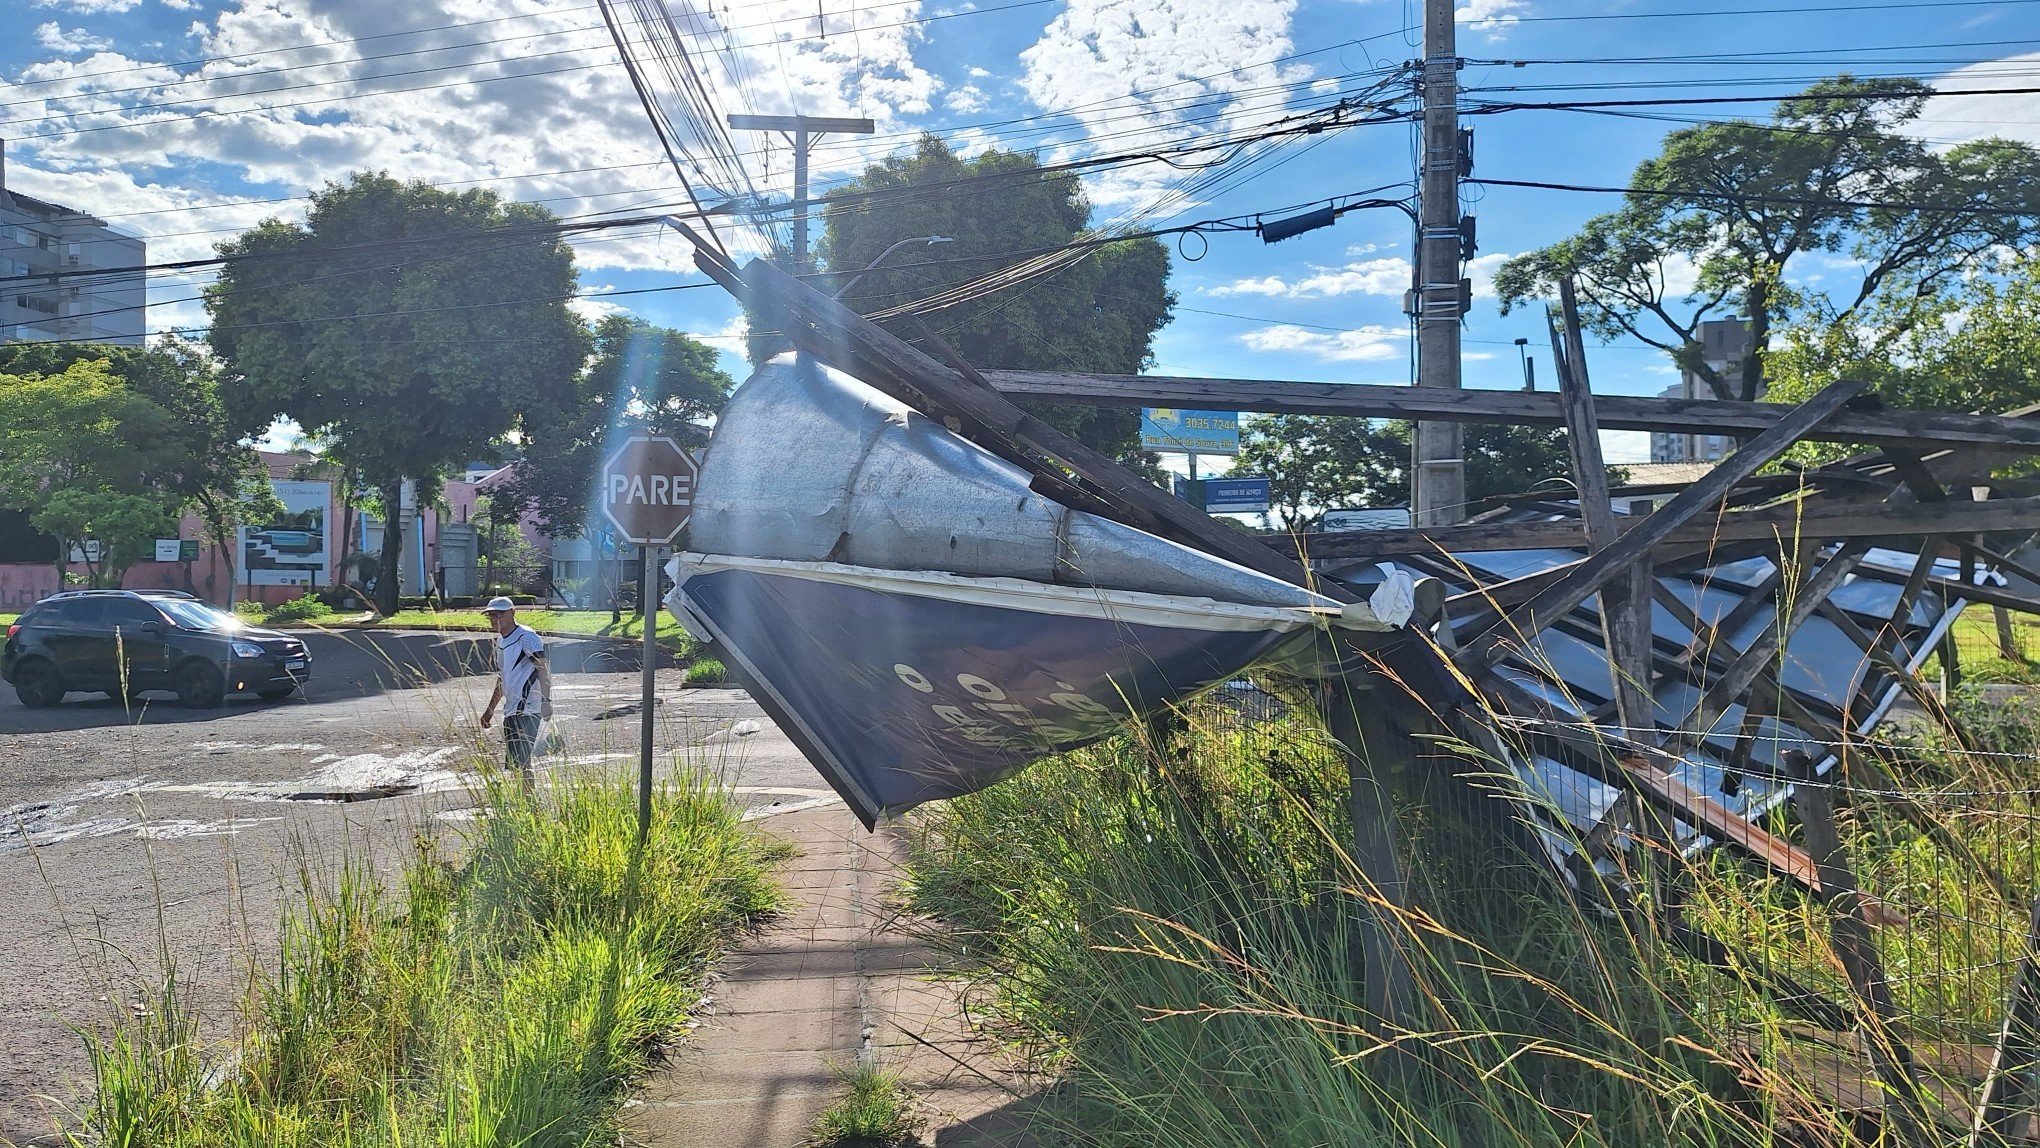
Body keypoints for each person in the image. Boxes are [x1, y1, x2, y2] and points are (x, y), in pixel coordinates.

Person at [479, 596, 552, 782]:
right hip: (512, 710)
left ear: (512, 612)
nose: (495, 619)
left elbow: (542, 668)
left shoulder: (527, 636)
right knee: (517, 764)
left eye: (499, 614)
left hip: (528, 708)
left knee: (522, 761)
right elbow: (502, 677)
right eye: (491, 615)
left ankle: (530, 804)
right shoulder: (501, 642)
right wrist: (490, 710)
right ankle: (526, 803)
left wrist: (546, 701)